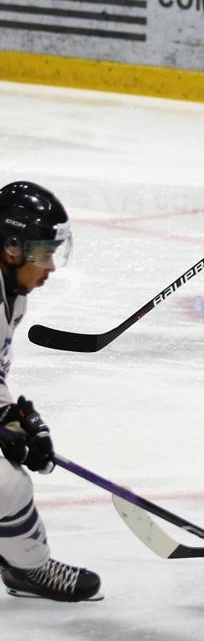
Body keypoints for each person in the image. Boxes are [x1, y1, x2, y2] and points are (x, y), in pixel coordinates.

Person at [0, 181, 101, 602]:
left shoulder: (12, 293)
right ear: (12, 248)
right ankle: (29, 569)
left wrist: (12, 418)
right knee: (7, 485)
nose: (51, 267)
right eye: (43, 253)